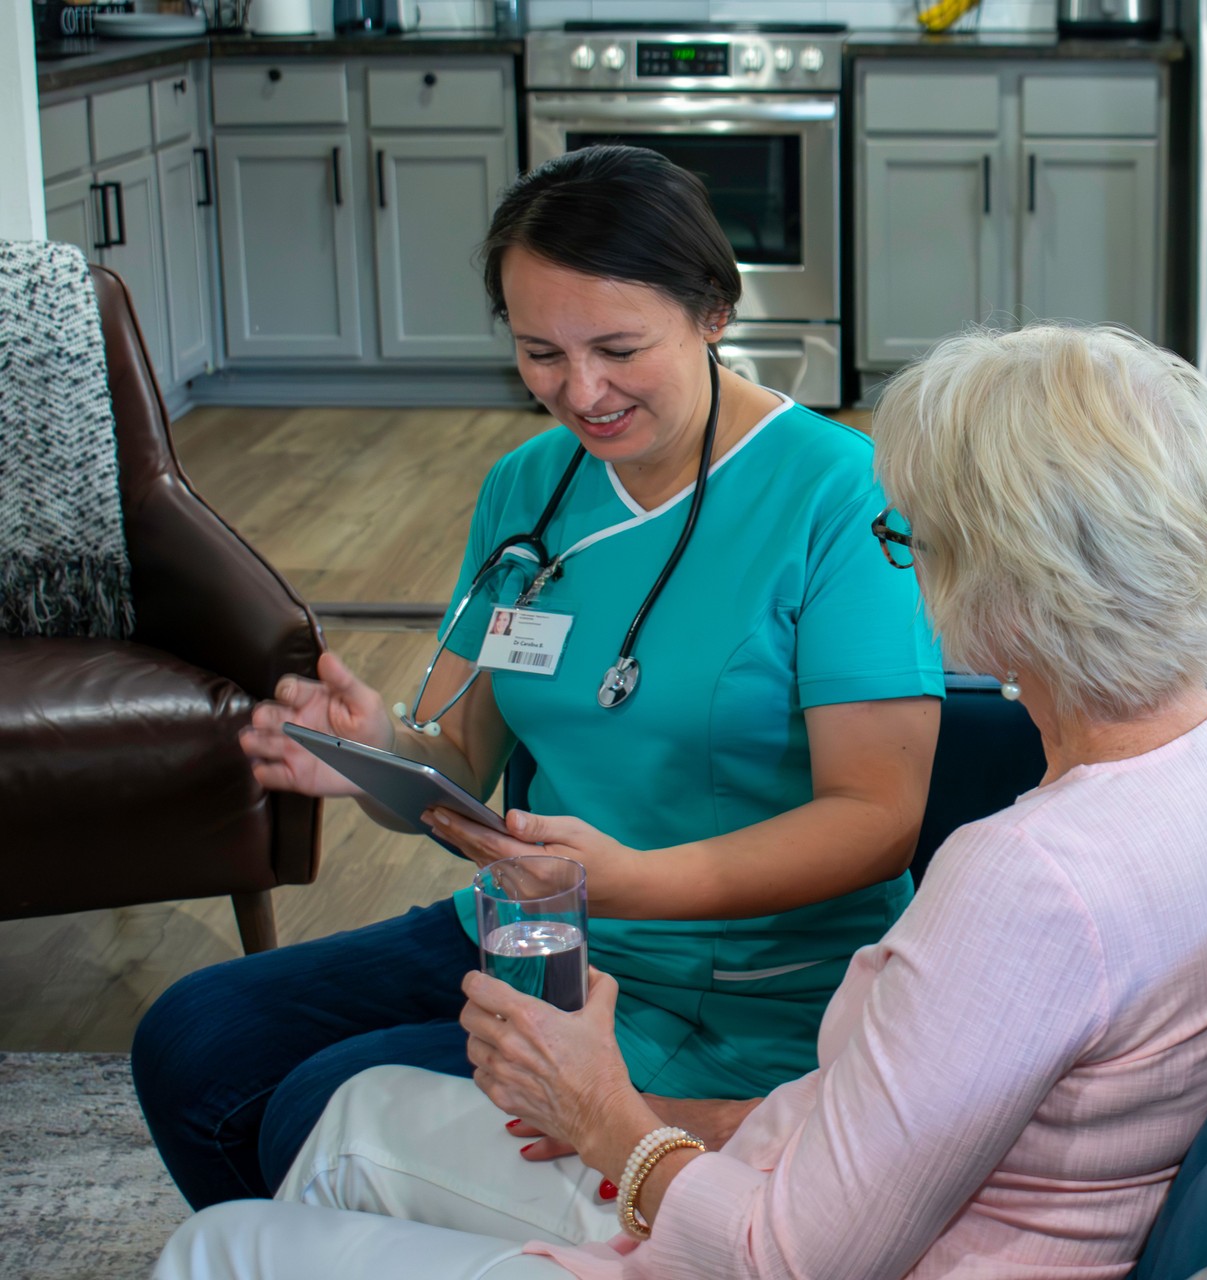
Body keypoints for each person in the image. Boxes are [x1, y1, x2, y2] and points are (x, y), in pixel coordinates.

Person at [153, 323, 1207, 1280]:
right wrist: (692, 1118)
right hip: (804, 1172)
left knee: (219, 1246)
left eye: (910, 533)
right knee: (356, 1113)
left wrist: (606, 1108)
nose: (893, 556)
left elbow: (791, 1256)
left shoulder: (1033, 878)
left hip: (774, 1246)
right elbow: (912, 1119)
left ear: (998, 582)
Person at [131, 145, 944, 1211]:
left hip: (742, 987)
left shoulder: (841, 494)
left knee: (314, 1103)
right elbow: (465, 755)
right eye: (540, 352)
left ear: (714, 310)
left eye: (617, 347)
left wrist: (630, 881)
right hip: (536, 927)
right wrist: (375, 746)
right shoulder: (530, 483)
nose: (582, 392)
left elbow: (878, 815)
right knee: (196, 1042)